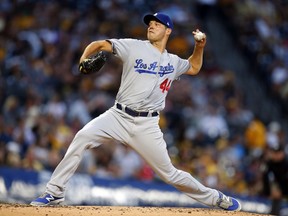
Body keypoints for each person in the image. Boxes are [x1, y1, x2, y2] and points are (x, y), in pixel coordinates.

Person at [30, 12, 241, 211]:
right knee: (82, 137)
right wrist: (82, 59)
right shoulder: (133, 46)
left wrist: (200, 46)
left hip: (147, 125)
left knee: (170, 174)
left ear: (168, 31)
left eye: (157, 24)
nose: (151, 26)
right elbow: (100, 44)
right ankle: (55, 192)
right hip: (118, 116)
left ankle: (217, 199)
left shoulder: (173, 61)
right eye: (150, 24)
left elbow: (193, 67)